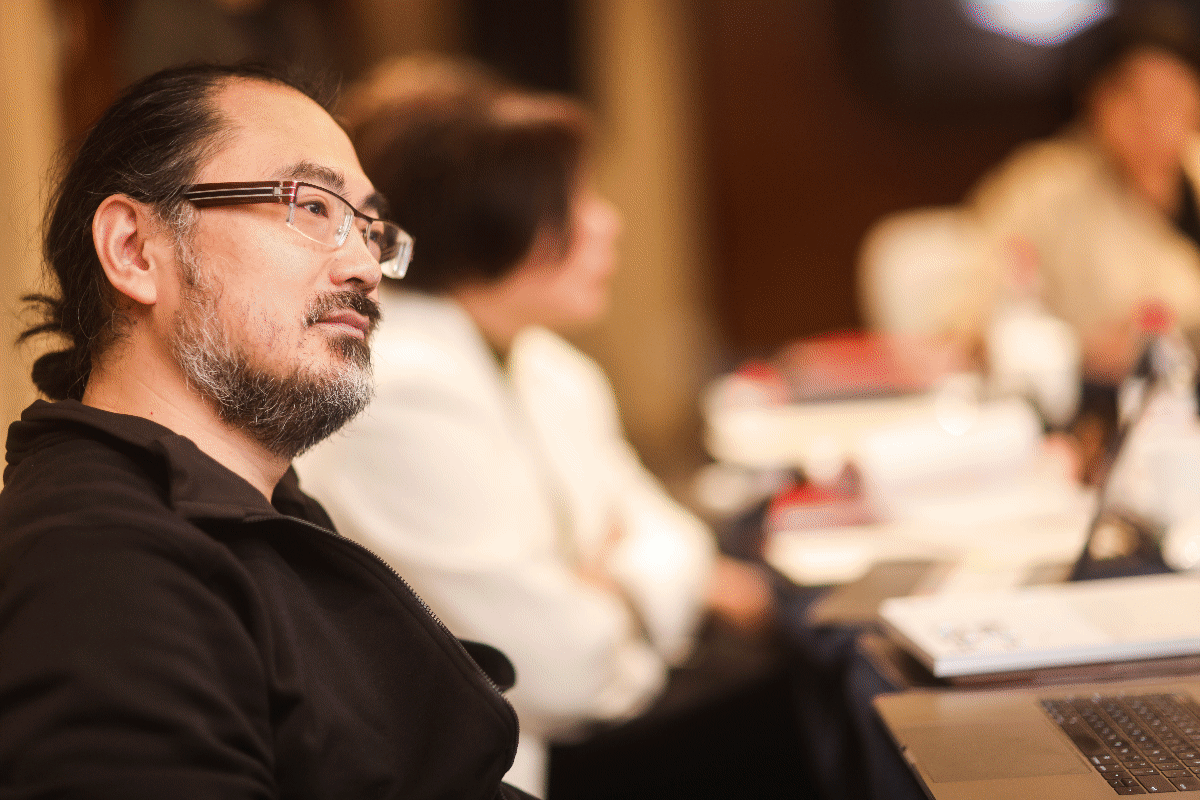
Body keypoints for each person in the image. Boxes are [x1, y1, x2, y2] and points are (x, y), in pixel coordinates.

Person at [0, 62, 533, 799]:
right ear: (134, 250)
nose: (365, 266)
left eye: (371, 229)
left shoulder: (258, 513)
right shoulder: (100, 565)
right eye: (311, 206)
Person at [296, 56, 784, 797]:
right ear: (487, 221)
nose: (607, 223)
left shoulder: (546, 364)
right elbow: (560, 673)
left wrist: (610, 583)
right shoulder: (396, 389)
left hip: (588, 727)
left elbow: (666, 530)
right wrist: (641, 593)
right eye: (572, 201)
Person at [952, 2, 1200, 387]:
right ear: (1097, 100)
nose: (1151, 117)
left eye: (1169, 96)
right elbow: (969, 320)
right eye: (1133, 95)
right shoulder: (1042, 189)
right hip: (1093, 402)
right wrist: (1072, 351)